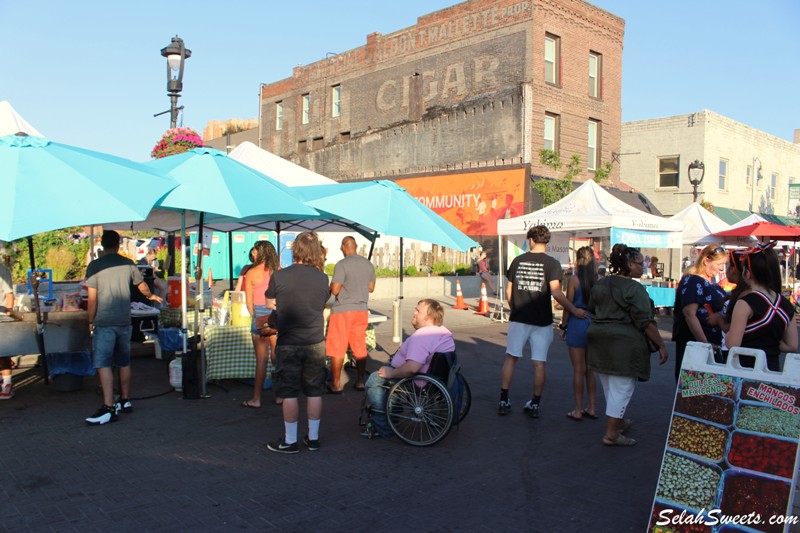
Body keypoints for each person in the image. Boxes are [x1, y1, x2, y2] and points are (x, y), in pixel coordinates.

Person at [498, 225, 589, 417]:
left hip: (520, 317)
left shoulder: (517, 261)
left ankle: (504, 399)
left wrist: (515, 310)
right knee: (539, 362)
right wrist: (573, 309)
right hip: (543, 320)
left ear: (531, 240)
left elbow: (508, 291)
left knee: (511, 357)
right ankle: (535, 404)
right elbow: (556, 292)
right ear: (547, 242)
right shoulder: (552, 264)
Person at [587, 244, 668, 446]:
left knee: (610, 385)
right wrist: (661, 345)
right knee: (621, 389)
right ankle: (611, 434)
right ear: (630, 263)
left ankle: (618, 421)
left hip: (599, 339)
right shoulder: (634, 289)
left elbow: (592, 308)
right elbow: (646, 322)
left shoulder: (601, 283)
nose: (644, 268)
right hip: (623, 344)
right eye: (641, 264)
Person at [85, 231, 163, 425]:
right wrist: (150, 296)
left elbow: (92, 299)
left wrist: (90, 320)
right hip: (124, 320)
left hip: (104, 321)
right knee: (124, 362)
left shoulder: (94, 266)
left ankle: (109, 406)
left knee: (103, 363)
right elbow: (142, 285)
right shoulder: (128, 263)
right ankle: (125, 400)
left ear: (102, 245)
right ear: (118, 244)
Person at [265, 231, 330, 454]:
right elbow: (321, 305)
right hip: (315, 341)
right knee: (314, 391)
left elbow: (270, 303)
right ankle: (313, 438)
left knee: (290, 393)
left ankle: (290, 441)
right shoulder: (323, 279)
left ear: (296, 250)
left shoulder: (280, 276)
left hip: (288, 341)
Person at [362, 299, 455, 439]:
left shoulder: (423, 337)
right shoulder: (444, 333)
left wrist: (391, 372)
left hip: (417, 381)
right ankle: (393, 410)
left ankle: (384, 426)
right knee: (385, 377)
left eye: (418, 311)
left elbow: (411, 368)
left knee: (374, 380)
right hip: (436, 379)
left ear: (429, 318)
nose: (414, 313)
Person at [725, 241, 797, 371]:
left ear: (747, 273)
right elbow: (792, 345)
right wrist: (769, 343)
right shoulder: (786, 304)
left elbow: (732, 344)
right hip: (772, 370)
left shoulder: (745, 303)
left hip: (746, 370)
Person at [326, 236, 376, 393]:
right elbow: (371, 288)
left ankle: (335, 384)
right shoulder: (368, 264)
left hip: (343, 311)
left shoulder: (342, 264)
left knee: (337, 346)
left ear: (343, 247)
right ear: (356, 246)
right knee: (359, 346)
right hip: (362, 310)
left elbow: (334, 290)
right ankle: (360, 381)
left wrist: (333, 285)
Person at [671, 245, 728, 380]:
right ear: (706, 260)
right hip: (697, 346)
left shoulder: (711, 282)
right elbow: (690, 314)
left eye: (723, 265)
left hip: (713, 344)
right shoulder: (693, 280)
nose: (721, 268)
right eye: (719, 264)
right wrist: (705, 345)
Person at [559, 246, 598, 420]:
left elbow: (568, 305)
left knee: (577, 369)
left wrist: (563, 326)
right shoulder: (597, 279)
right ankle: (592, 407)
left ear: (578, 260)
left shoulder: (573, 280)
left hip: (577, 323)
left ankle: (577, 409)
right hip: (593, 322)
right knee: (590, 370)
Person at [241, 241, 280, 408]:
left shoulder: (251, 273)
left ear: (260, 253)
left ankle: (256, 398)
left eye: (255, 251)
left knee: (261, 359)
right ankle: (280, 395)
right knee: (277, 357)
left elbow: (248, 303)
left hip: (259, 314)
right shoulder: (278, 271)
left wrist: (255, 317)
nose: (253, 254)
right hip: (276, 313)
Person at [0, 249, 15, 400]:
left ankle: (7, 383)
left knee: (2, 352)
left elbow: (9, 294)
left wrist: (8, 314)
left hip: (1, 315)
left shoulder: (2, 270)